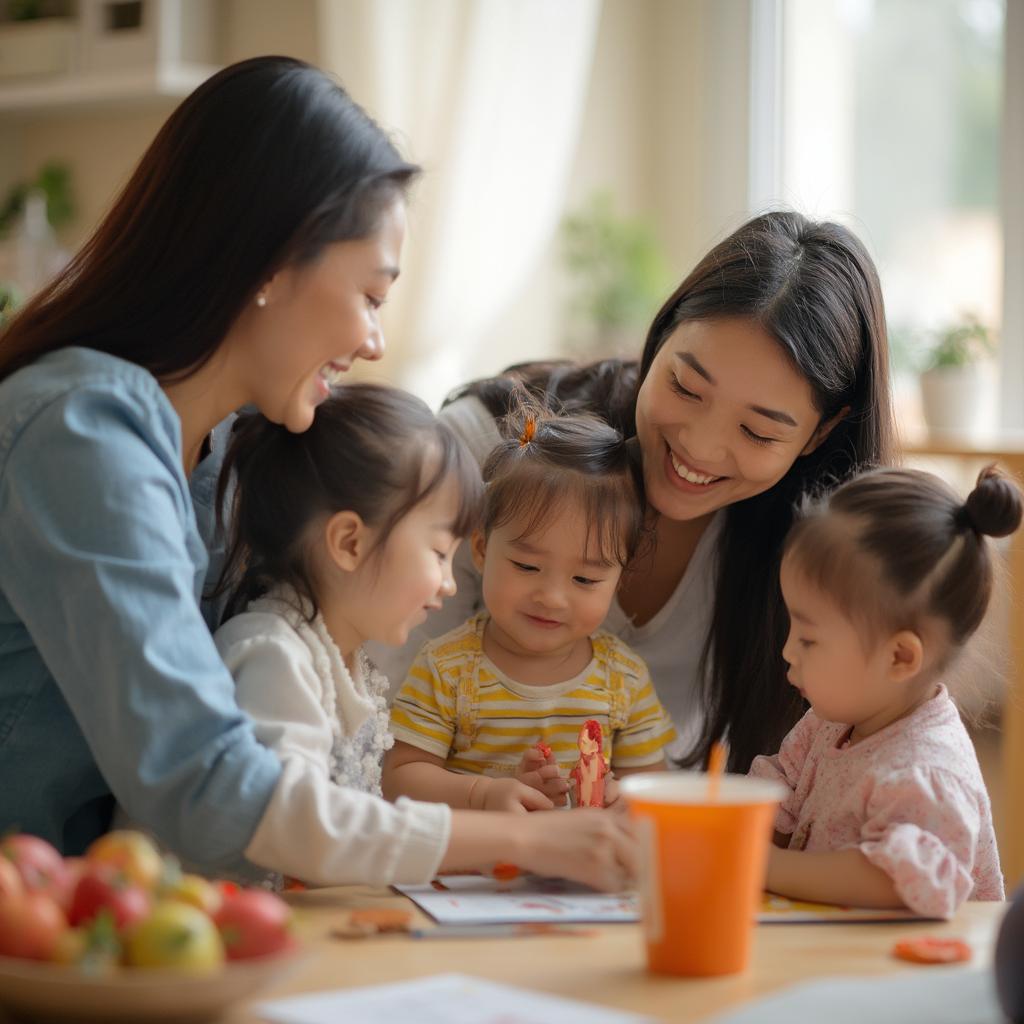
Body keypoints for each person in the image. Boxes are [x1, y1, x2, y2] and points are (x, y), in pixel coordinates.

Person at [0, 56, 634, 891]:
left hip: (125, 914)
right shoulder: (82, 433)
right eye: (371, 295)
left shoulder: (232, 448)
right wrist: (516, 840)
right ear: (272, 261)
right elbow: (206, 786)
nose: (374, 341)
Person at [372, 211, 895, 773]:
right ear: (662, 333)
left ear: (819, 433)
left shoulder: (814, 551)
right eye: (686, 388)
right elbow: (374, 728)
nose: (700, 447)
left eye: (758, 432)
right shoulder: (480, 454)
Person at [210, 384, 481, 885]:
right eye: (441, 553)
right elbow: (302, 825)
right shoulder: (272, 655)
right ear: (350, 542)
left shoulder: (349, 664)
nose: (447, 583)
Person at [750, 465, 1020, 918]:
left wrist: (765, 866)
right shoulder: (830, 721)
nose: (787, 650)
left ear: (899, 658)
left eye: (809, 638)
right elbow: (773, 804)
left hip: (916, 980)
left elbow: (898, 878)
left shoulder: (928, 771)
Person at [383, 409, 675, 811]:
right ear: (482, 550)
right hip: (474, 867)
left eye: (585, 580)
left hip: (585, 868)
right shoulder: (447, 669)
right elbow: (399, 778)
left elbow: (654, 790)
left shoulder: (623, 679)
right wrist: (484, 794)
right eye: (527, 567)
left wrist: (623, 796)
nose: (552, 597)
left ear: (619, 580)